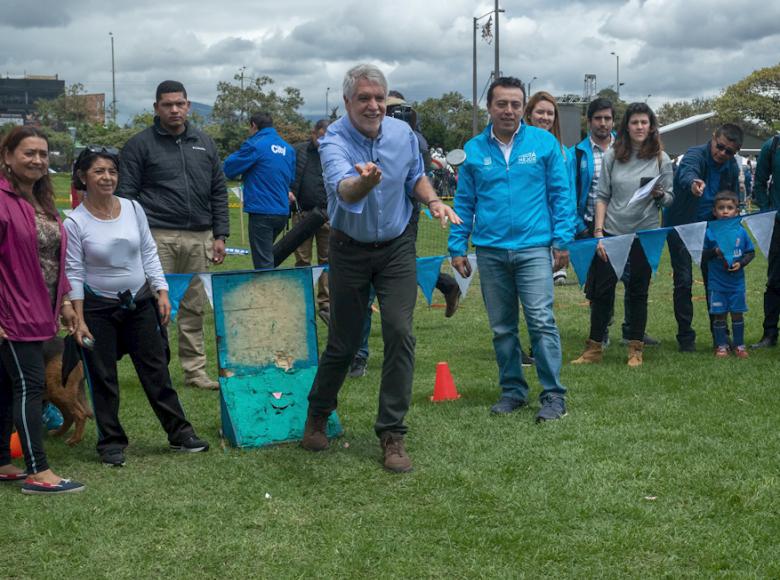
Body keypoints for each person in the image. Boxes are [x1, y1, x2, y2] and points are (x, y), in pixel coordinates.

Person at [300, 64, 460, 473]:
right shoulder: (333, 138)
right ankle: (318, 412)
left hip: (395, 248)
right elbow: (344, 189)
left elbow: (415, 177)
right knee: (345, 340)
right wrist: (365, 182)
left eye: (379, 98)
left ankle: (392, 434)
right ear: (347, 102)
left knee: (400, 331)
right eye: (364, 98)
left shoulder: (403, 135)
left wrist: (433, 201)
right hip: (348, 248)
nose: (373, 106)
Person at [65, 146, 210, 467]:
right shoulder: (74, 222)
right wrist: (78, 314)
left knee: (156, 370)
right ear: (83, 177)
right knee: (102, 377)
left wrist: (160, 291)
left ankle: (180, 433)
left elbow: (148, 251)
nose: (107, 177)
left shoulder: (133, 208)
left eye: (112, 171)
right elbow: (73, 270)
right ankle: (111, 442)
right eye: (99, 171)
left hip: (140, 302)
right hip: (97, 309)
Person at [449, 76, 575, 421]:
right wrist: (457, 245)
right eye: (501, 104)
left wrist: (562, 239)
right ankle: (513, 391)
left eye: (515, 104)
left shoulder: (544, 144)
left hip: (534, 248)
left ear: (524, 107)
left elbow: (560, 194)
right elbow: (464, 201)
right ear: (489, 107)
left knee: (540, 320)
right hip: (490, 250)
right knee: (502, 327)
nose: (509, 110)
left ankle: (553, 395)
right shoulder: (473, 149)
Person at [118, 80, 229, 390]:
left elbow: (218, 190)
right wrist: (135, 236)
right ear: (156, 108)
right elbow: (126, 195)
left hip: (199, 238)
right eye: (167, 104)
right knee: (157, 308)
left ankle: (195, 372)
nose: (175, 109)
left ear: (188, 105)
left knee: (193, 307)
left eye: (180, 103)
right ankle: (157, 371)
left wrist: (220, 234)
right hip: (157, 236)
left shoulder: (204, 143)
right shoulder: (139, 145)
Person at [347, 91, 461, 379]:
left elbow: (415, 180)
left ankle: (369, 356)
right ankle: (360, 354)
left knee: (386, 291)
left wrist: (433, 202)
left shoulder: (412, 140)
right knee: (371, 291)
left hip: (400, 227)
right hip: (368, 226)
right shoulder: (365, 136)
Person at [0, 126, 85, 495]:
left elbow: (53, 260)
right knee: (30, 386)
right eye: (28, 152)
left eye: (43, 154)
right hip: (12, 315)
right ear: (7, 156)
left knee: (5, 387)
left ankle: (2, 459)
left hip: (42, 311)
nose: (37, 160)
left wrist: (65, 302)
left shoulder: (42, 200)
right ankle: (38, 471)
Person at [572, 102, 673, 367]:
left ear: (651, 126)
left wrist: (661, 195)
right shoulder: (613, 155)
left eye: (644, 122)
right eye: (634, 122)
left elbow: (670, 199)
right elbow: (602, 196)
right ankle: (593, 348)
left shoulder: (662, 158)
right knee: (601, 291)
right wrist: (599, 233)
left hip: (646, 234)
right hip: (612, 232)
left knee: (638, 291)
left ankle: (635, 349)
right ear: (626, 126)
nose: (640, 127)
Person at [663, 123, 743, 351]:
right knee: (684, 282)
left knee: (715, 283)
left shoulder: (731, 167)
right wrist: (693, 183)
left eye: (730, 152)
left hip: (712, 230)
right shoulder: (694, 154)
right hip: (681, 227)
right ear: (713, 137)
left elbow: (733, 200)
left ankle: (720, 336)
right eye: (720, 147)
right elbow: (687, 172)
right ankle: (685, 338)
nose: (723, 153)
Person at [224, 111, 296, 270]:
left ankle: (268, 293)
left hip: (262, 211)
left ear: (253, 126)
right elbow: (291, 179)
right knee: (267, 256)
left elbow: (229, 168)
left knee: (263, 264)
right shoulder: (288, 149)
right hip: (282, 212)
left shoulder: (256, 144)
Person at [702, 190, 754, 358]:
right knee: (719, 316)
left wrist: (742, 263)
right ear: (714, 211)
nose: (725, 211)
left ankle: (739, 345)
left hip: (736, 283)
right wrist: (714, 251)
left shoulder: (741, 231)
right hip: (717, 283)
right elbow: (702, 255)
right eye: (721, 208)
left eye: (729, 208)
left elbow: (750, 252)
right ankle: (721, 346)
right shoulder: (710, 232)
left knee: (737, 313)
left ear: (737, 211)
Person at [289, 119, 331, 323]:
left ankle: (326, 303)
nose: (322, 140)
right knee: (302, 261)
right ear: (313, 133)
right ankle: (302, 300)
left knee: (327, 261)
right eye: (320, 136)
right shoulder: (298, 151)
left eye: (327, 137)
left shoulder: (335, 152)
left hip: (328, 215)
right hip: (302, 214)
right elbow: (286, 174)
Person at [750, 133, 780, 348]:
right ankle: (770, 333)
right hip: (777, 224)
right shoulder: (772, 146)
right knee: (775, 280)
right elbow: (759, 183)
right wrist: (768, 212)